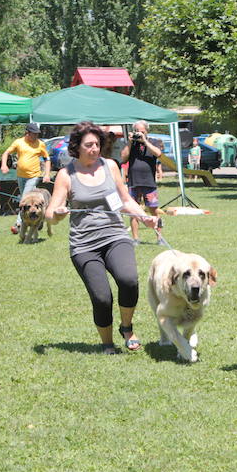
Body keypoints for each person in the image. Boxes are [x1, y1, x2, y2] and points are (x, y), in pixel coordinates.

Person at [46, 121, 157, 354]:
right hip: (84, 245)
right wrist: (57, 214)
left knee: (129, 280)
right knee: (102, 297)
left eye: (97, 144)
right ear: (77, 147)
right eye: (89, 145)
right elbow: (50, 214)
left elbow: (126, 201)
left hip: (115, 235)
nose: (94, 149)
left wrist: (144, 217)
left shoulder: (110, 166)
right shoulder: (66, 175)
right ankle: (107, 343)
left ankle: (126, 327)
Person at [1, 122, 51, 234]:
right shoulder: (19, 142)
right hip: (21, 176)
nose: (36, 136)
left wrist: (47, 174)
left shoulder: (40, 144)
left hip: (34, 176)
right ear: (27, 133)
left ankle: (18, 224)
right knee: (25, 200)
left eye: (37, 134)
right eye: (34, 134)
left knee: (24, 199)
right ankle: (39, 220)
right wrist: (4, 165)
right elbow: (6, 153)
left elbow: (47, 159)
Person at [120, 120, 164, 245]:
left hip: (149, 182)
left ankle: (160, 238)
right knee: (134, 211)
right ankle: (135, 238)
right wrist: (129, 141)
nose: (139, 133)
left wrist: (145, 141)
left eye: (142, 131)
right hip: (134, 181)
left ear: (147, 131)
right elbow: (123, 158)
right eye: (137, 131)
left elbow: (158, 153)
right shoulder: (131, 143)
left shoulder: (154, 141)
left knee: (154, 211)